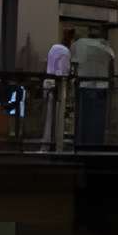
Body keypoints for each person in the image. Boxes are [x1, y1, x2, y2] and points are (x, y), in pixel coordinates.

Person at [69, 22, 114, 149]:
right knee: (97, 120)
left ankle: (81, 145)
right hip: (101, 86)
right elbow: (111, 67)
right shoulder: (106, 47)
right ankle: (95, 145)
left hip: (84, 85)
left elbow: (74, 66)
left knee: (84, 118)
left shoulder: (79, 45)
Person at [41, 21, 72, 153]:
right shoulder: (65, 52)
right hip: (58, 86)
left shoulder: (53, 48)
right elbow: (62, 72)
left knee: (48, 117)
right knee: (57, 118)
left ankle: (46, 143)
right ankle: (56, 145)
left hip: (48, 83)